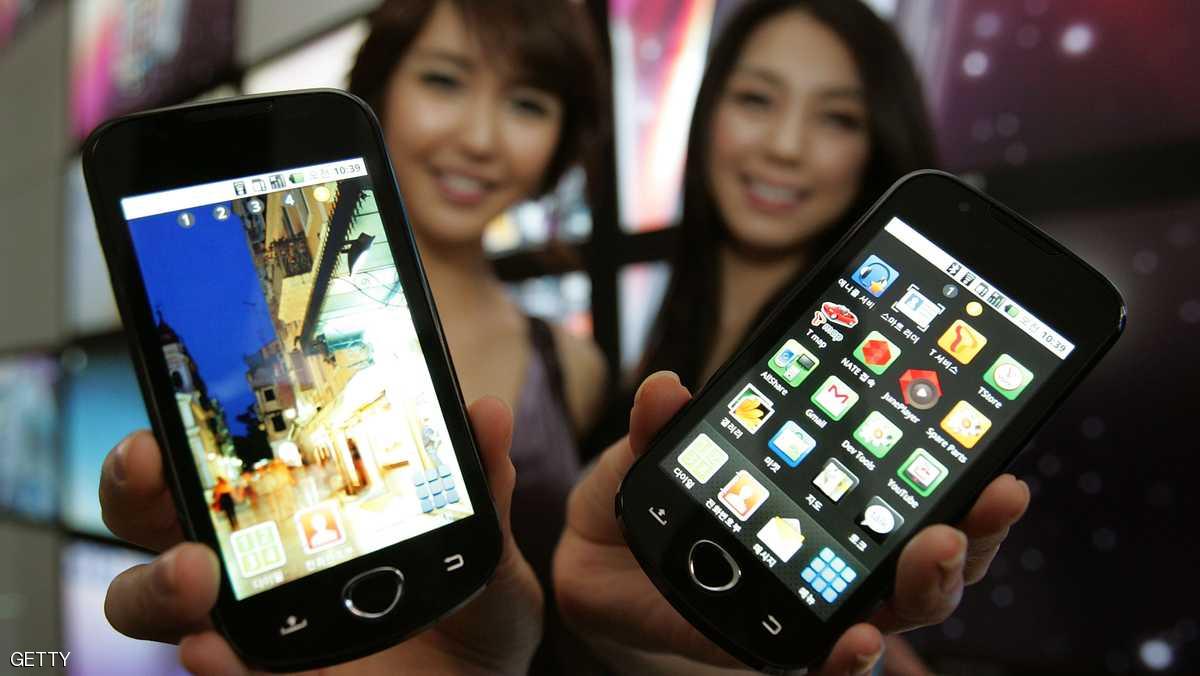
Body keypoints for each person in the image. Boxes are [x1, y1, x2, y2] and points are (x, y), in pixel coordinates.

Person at [102, 0, 608, 673]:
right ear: (381, 89)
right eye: (445, 80)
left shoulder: (576, 366)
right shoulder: (248, 345)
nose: (481, 138)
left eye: (527, 103)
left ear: (562, 136)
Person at [566, 0, 1030, 672]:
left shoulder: (887, 383)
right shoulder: (651, 339)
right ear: (708, 112)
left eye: (837, 118)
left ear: (877, 146)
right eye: (757, 99)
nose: (785, 146)